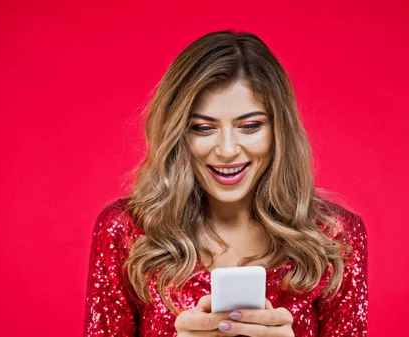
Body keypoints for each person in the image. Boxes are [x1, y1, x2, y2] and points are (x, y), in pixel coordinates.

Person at [83, 30, 368, 337]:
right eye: (204, 128)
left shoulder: (334, 238)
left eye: (250, 126)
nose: (228, 150)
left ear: (278, 130)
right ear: (179, 132)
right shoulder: (126, 232)